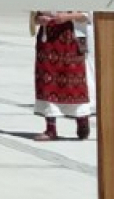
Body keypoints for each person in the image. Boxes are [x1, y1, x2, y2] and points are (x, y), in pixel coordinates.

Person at [34, 10, 94, 140]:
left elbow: (87, 15)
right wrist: (40, 19)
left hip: (72, 38)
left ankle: (82, 118)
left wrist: (68, 17)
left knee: (75, 82)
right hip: (48, 40)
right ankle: (51, 128)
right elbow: (34, 17)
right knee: (47, 81)